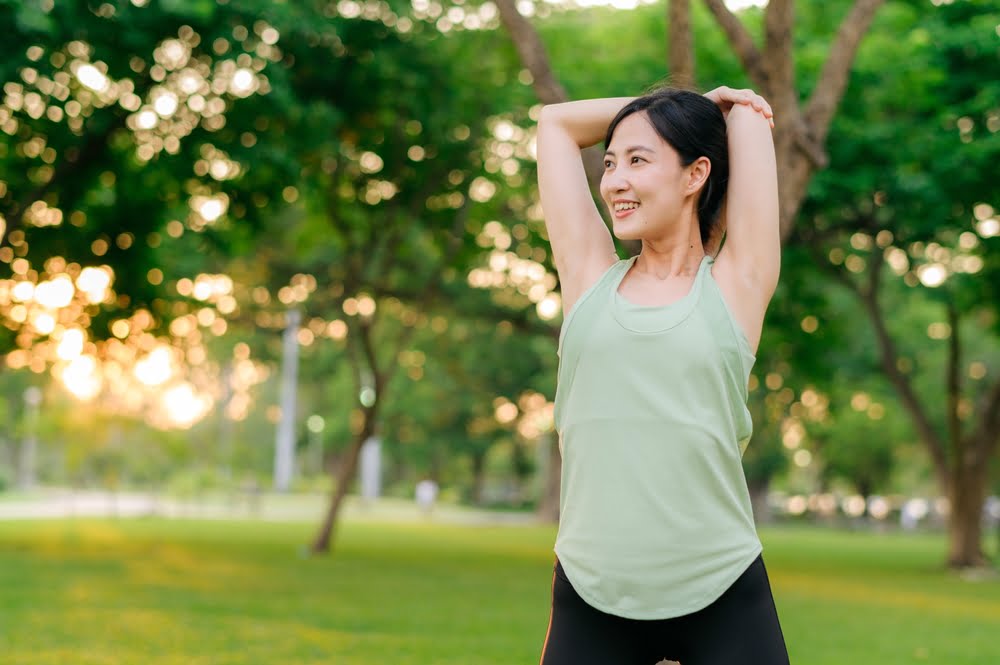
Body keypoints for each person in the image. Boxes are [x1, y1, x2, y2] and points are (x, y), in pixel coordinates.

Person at [535, 86, 789, 665]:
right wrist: (688, 103)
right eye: (609, 163)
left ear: (696, 173)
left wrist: (717, 112)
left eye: (638, 160)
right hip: (592, 588)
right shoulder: (587, 277)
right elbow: (555, 123)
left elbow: (748, 117)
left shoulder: (736, 286)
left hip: (721, 585)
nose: (614, 181)